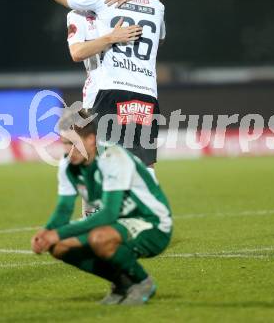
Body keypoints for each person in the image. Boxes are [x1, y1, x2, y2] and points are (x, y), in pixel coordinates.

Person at [31, 109, 172, 305]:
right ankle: (122, 283)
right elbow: (64, 210)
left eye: (73, 143)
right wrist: (46, 232)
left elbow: (108, 214)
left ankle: (142, 282)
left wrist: (58, 232)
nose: (67, 151)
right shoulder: (67, 166)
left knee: (98, 238)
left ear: (90, 139)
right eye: (64, 143)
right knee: (58, 246)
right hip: (119, 223)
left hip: (152, 223)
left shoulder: (113, 158)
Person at [51, 0, 169, 174]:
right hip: (145, 92)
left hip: (111, 91)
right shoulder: (157, 5)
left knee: (101, 162)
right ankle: (153, 208)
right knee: (146, 164)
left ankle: (100, 209)